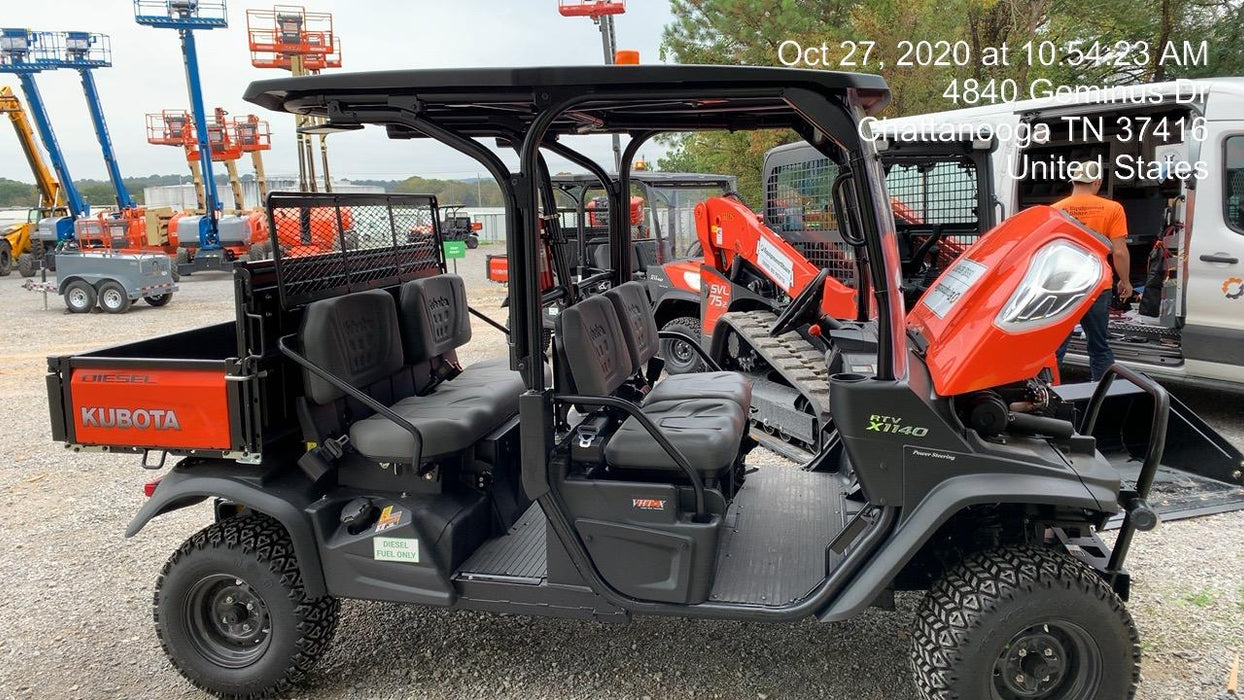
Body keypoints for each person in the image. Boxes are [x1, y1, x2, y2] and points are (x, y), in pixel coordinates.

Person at [1052, 159, 1132, 380]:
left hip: (1063, 286)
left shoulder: (1055, 210)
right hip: (1097, 285)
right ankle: (1102, 393)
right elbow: (1119, 252)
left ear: (1074, 181)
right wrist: (1124, 281)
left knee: (1056, 345)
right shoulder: (1113, 208)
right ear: (1097, 182)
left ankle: (1046, 395)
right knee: (1098, 345)